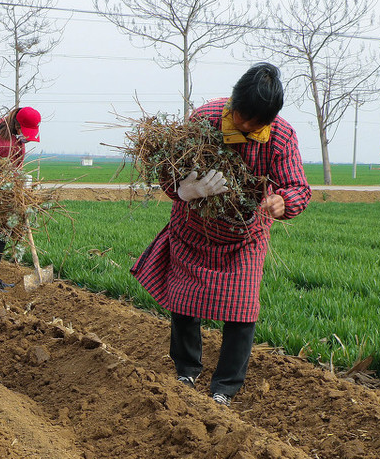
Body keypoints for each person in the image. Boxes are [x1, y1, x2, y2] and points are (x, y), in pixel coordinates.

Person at [131, 62, 311, 406]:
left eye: (254, 123)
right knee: (183, 301)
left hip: (245, 235)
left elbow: (298, 186)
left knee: (242, 309)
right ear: (233, 101)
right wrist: (184, 190)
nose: (244, 126)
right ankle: (186, 369)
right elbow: (169, 170)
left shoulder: (281, 136)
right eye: (241, 117)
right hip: (193, 227)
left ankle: (224, 386)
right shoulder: (205, 119)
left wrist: (282, 202)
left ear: (270, 119)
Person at [0, 106, 41, 290]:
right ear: (17, 125)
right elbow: (4, 175)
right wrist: (17, 192)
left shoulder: (5, 126)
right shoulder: (5, 145)